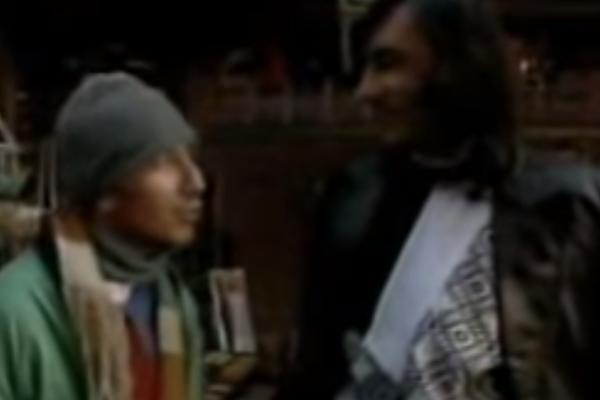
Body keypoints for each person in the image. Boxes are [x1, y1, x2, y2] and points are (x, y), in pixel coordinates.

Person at [279, 0, 600, 399]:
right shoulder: (353, 198)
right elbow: (315, 368)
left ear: (458, 66)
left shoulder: (568, 207)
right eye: (364, 70)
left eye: (388, 64)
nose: (366, 92)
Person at [0, 72, 206, 400]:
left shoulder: (172, 300)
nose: (196, 182)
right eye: (163, 161)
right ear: (105, 191)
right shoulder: (13, 311)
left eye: (190, 158)